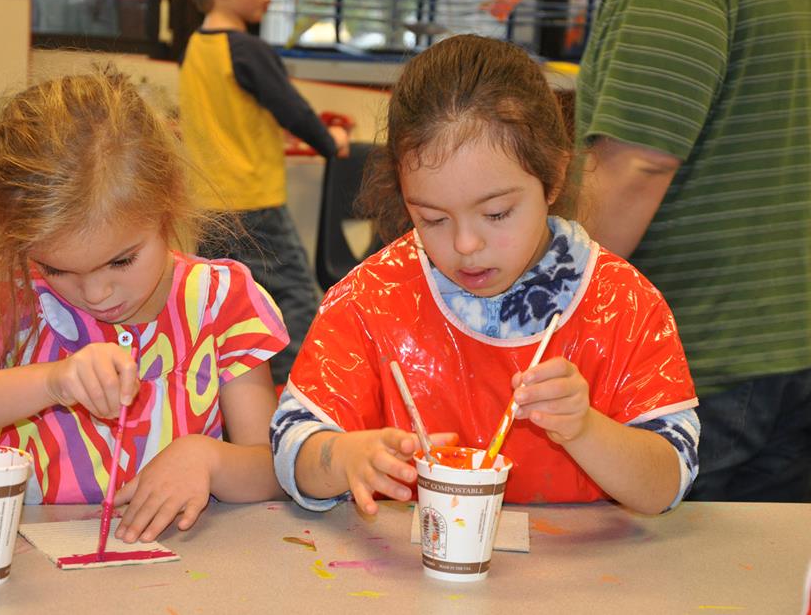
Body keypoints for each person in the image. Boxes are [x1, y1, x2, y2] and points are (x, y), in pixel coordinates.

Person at [270, 35, 701, 517]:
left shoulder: (623, 304)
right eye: (433, 218)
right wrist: (342, 458)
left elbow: (667, 480)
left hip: (585, 584)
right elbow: (292, 442)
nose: (465, 246)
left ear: (554, 177)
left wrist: (584, 429)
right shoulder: (373, 299)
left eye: (496, 214)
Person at [0, 69, 290, 543]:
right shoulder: (10, 288)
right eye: (57, 269)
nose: (96, 294)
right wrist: (51, 381)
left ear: (167, 204)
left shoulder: (222, 303)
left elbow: (274, 470)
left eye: (121, 260)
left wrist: (209, 459)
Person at [575, 0, 811, 502]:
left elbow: (639, 162)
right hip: (786, 340)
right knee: (759, 572)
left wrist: (538, 299)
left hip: (697, 358)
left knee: (668, 576)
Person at [176, 0, 350, 386]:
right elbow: (293, 109)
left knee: (218, 308)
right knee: (295, 301)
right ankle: (302, 392)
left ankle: (222, 395)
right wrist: (330, 142)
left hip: (208, 205)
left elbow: (230, 115)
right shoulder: (247, 49)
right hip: (253, 203)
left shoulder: (195, 48)